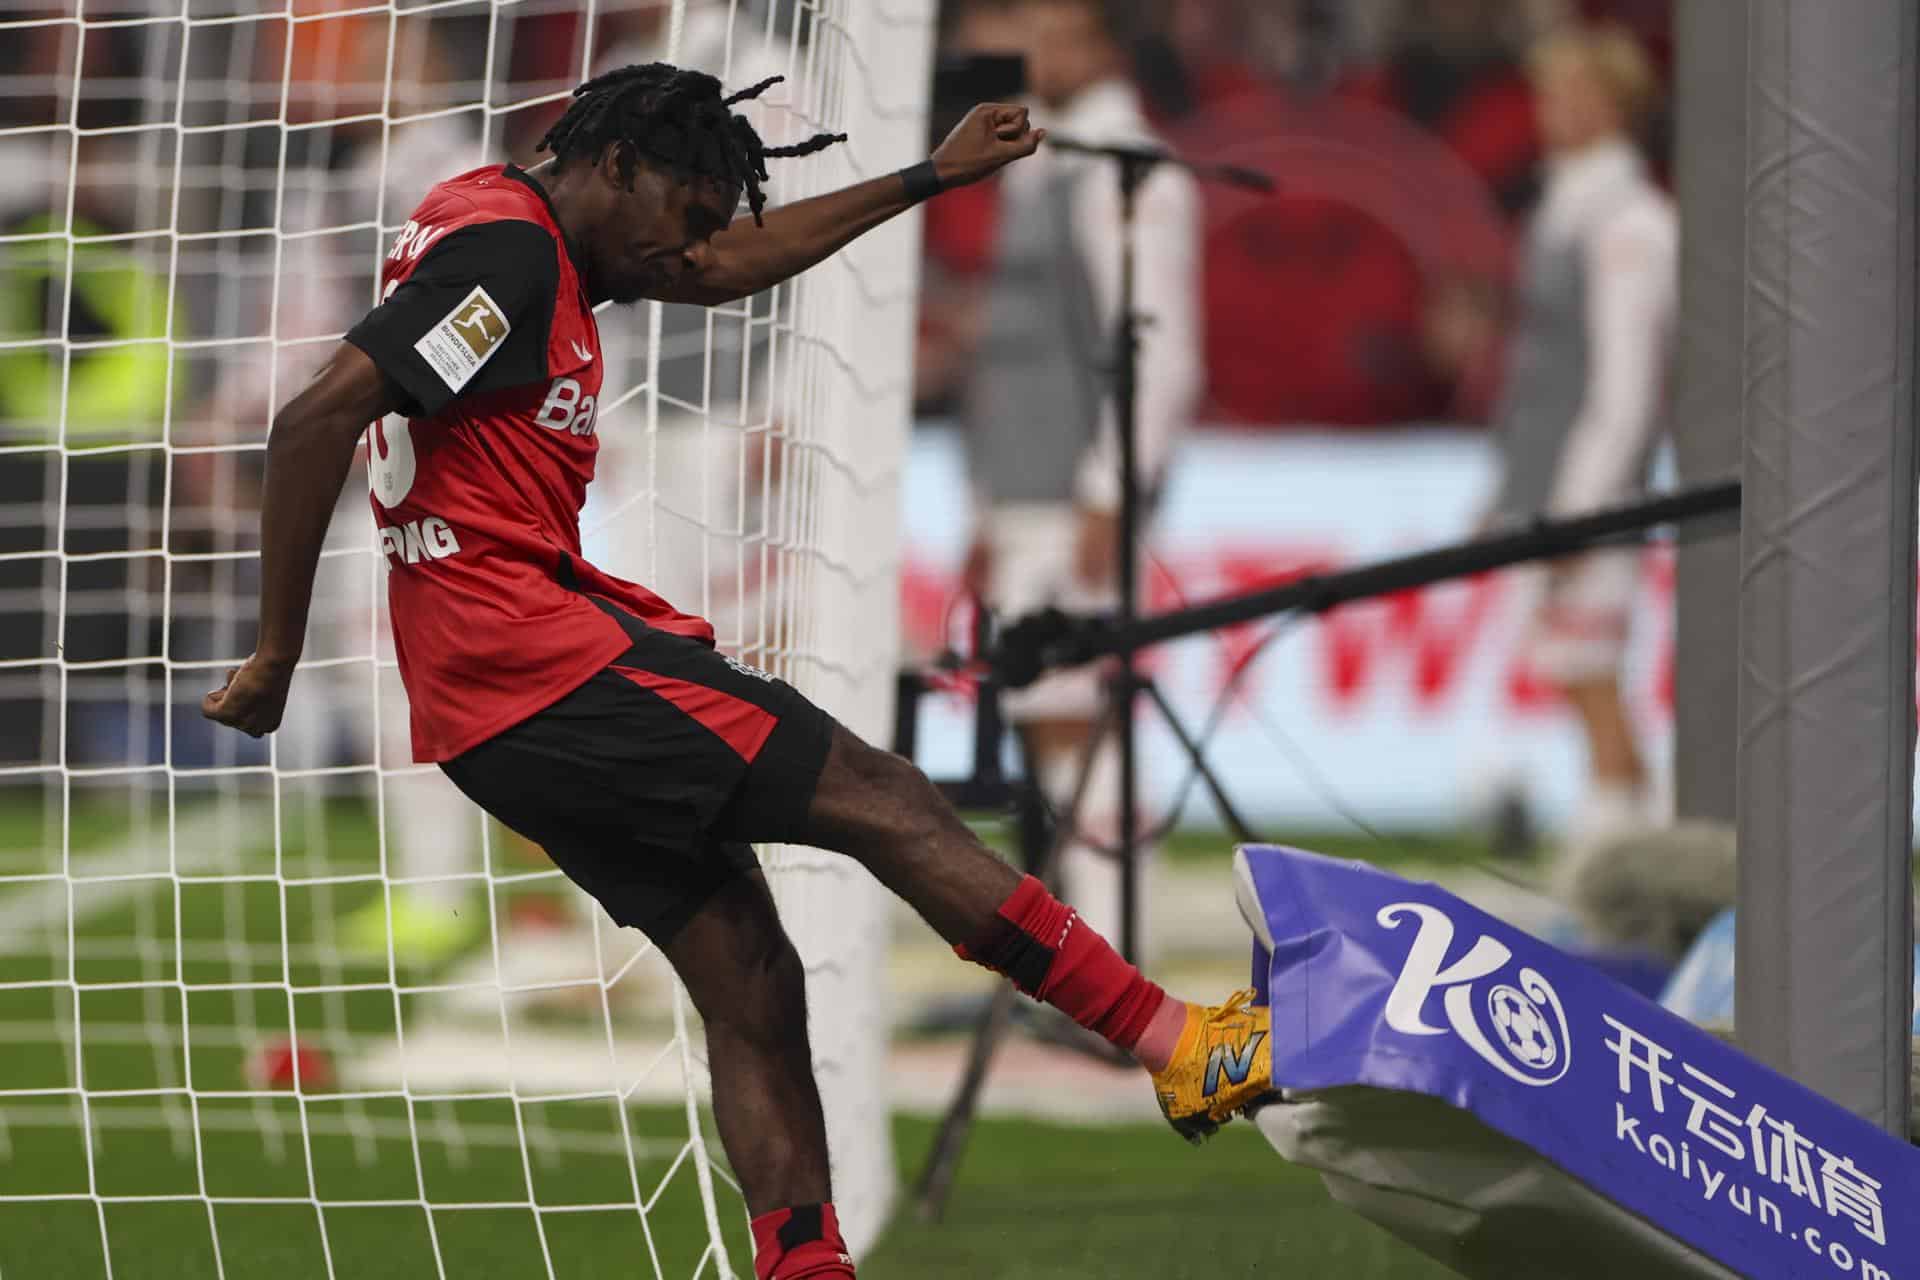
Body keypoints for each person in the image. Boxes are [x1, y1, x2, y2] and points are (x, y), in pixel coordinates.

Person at [200, 65, 1270, 1280]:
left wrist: (928, 175)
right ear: (617, 167)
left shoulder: (507, 217)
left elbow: (713, 269)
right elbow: (312, 417)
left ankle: (803, 1266)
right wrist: (278, 652)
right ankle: (1174, 1038)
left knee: (752, 977)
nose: (694, 246)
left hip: (494, 706)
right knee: (887, 798)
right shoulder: (505, 259)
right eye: (688, 210)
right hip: (540, 666)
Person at [957, 0, 1204, 956]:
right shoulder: (1040, 160)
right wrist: (985, 496)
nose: (1031, 53)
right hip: (1022, 479)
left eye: (1055, 34)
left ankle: (1110, 938)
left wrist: (1114, 483)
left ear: (1103, 45)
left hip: (1073, 485)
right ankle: (1094, 936)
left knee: (1076, 711)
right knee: (1048, 713)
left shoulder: (1127, 167)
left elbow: (1162, 345)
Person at [1485, 24, 1676, 851]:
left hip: (1593, 490)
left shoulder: (1631, 221)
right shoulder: (1567, 207)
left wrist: (1579, 507)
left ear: (1614, 104)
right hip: (1547, 478)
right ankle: (1620, 859)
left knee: (1596, 683)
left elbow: (1625, 388)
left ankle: (1624, 871)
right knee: (1575, 679)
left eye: (1567, 93)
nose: (1549, 110)